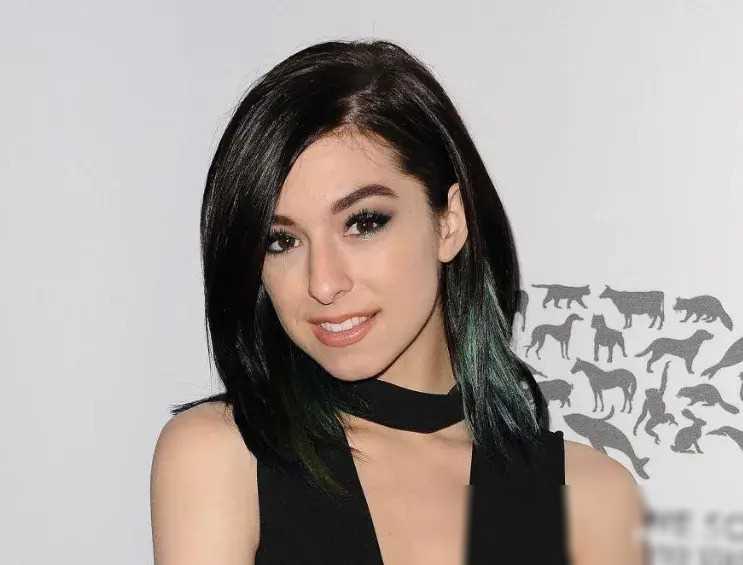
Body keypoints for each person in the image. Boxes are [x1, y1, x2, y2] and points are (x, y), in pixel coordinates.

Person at [150, 39, 647, 564]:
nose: (323, 283)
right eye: (282, 241)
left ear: (449, 223)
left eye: (364, 222)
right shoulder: (222, 455)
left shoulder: (591, 497)